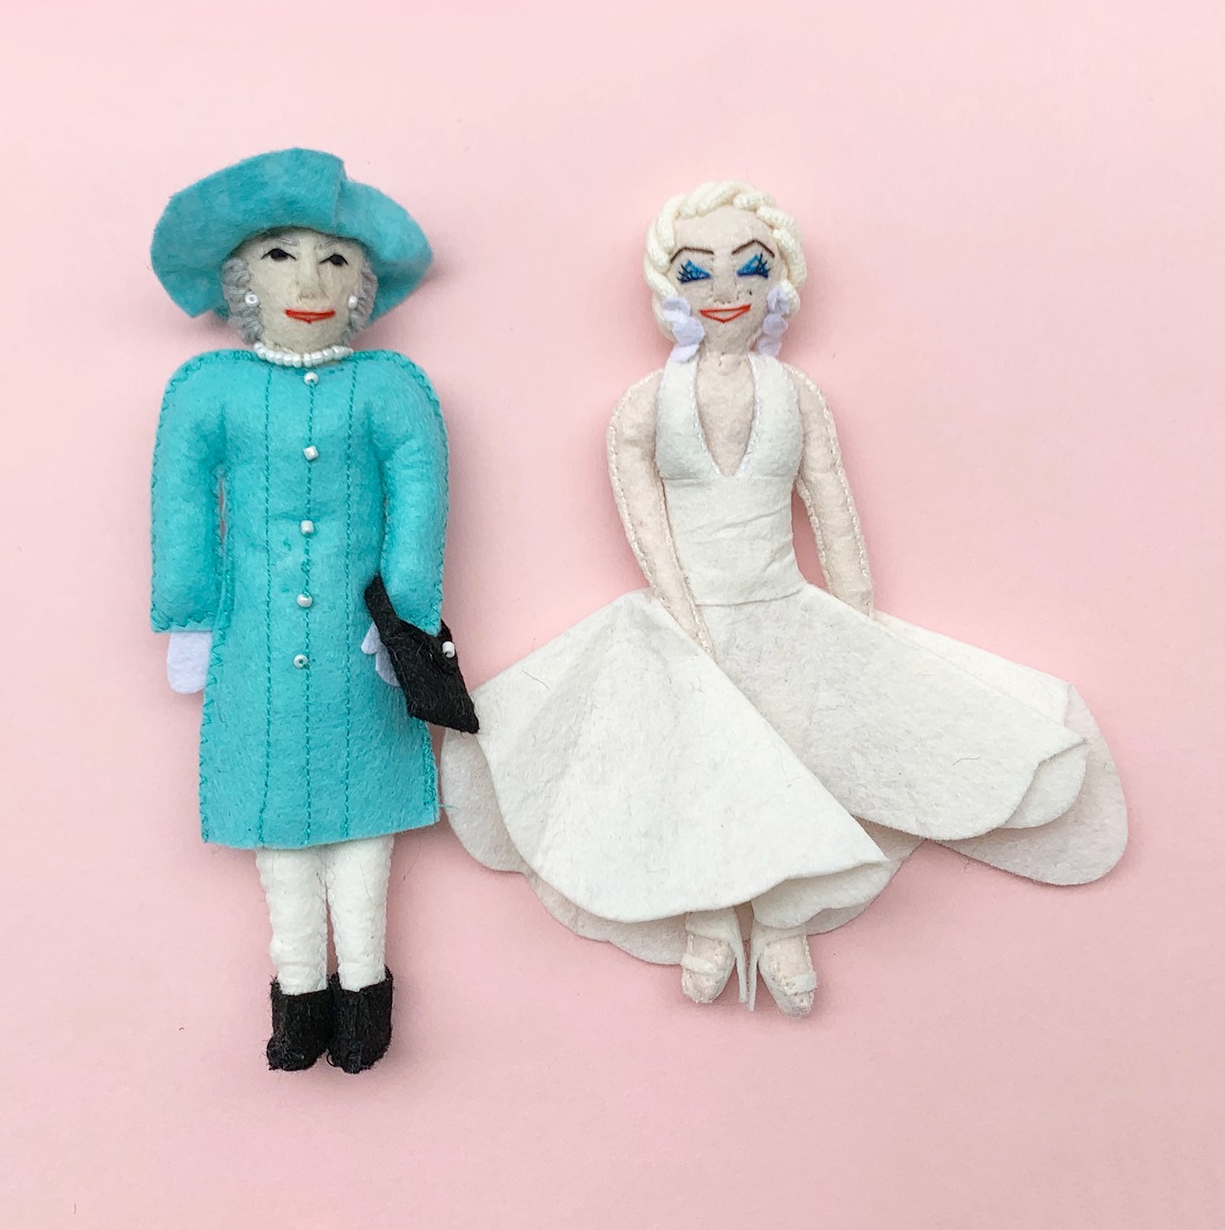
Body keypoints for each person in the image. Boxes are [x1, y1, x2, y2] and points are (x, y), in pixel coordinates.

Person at [440, 181, 1126, 1018]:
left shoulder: (796, 396)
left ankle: (782, 921)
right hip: (687, 620)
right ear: (670, 288)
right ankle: (706, 916)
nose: (726, 290)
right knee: (697, 762)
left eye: (750, 267)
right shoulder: (645, 407)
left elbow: (830, 499)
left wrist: (856, 617)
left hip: (783, 610)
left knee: (793, 761)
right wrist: (680, 614)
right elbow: (646, 519)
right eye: (698, 272)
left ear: (778, 281)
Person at [150, 148, 452, 1071]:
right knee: (276, 824)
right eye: (281, 256)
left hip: (363, 650)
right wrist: (191, 616)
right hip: (254, 646)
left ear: (364, 283)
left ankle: (364, 1000)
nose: (309, 282)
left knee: (365, 827)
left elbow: (420, 500)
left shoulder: (391, 387)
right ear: (240, 280)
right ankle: (299, 999)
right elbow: (182, 502)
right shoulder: (209, 390)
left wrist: (405, 618)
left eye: (334, 259)